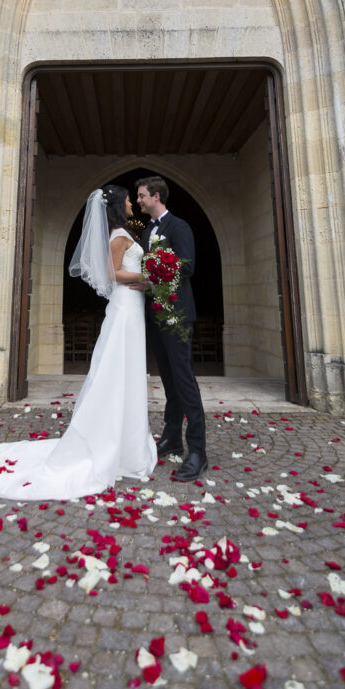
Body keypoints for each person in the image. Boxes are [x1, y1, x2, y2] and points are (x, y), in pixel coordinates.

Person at [0, 185, 157, 501]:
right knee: (117, 368)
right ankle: (112, 440)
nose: (131, 204)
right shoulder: (118, 237)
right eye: (128, 200)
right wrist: (146, 279)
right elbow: (113, 274)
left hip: (131, 305)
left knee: (126, 368)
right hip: (126, 306)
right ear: (117, 206)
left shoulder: (123, 233)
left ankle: (128, 439)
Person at [136, 175, 207, 481]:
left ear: (156, 196)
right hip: (155, 315)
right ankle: (171, 437)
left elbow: (188, 266)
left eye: (141, 196)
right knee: (168, 379)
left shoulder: (178, 227)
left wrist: (157, 266)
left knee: (184, 380)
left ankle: (198, 451)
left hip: (177, 314)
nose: (138, 200)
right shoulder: (148, 230)